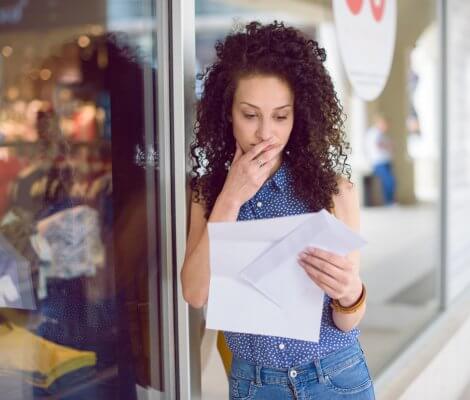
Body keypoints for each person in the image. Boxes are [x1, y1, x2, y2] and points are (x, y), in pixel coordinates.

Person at [181, 21, 375, 400]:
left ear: (298, 116)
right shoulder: (209, 195)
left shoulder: (335, 191)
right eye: (250, 115)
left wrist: (351, 293)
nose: (265, 132)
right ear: (228, 114)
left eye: (280, 116)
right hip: (255, 386)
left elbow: (346, 319)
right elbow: (195, 293)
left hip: (335, 376)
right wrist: (230, 200)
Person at [365, 115, 396, 205]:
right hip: (378, 162)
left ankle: (390, 201)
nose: (386, 127)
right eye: (385, 124)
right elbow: (379, 145)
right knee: (388, 181)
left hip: (386, 161)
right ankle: (389, 202)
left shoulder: (382, 134)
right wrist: (388, 145)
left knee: (391, 181)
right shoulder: (374, 133)